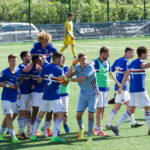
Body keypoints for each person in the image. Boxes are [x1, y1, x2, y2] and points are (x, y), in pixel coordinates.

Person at [59, 53, 98, 142]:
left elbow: (82, 79)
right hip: (83, 94)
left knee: (90, 115)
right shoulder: (77, 67)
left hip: (93, 94)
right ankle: (81, 128)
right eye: (82, 59)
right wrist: (72, 66)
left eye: (85, 58)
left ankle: (89, 135)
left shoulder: (90, 68)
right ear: (79, 60)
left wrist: (68, 80)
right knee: (78, 115)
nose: (84, 60)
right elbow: (69, 75)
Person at [111, 46, 150, 136]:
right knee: (148, 108)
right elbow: (145, 65)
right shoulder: (140, 62)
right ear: (143, 54)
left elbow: (126, 75)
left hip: (132, 90)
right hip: (139, 90)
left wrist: (121, 87)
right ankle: (149, 130)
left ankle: (116, 127)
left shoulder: (132, 62)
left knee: (131, 110)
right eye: (147, 53)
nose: (148, 54)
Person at [30, 51, 67, 143]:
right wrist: (69, 77)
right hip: (55, 96)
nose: (62, 62)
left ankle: (33, 135)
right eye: (61, 60)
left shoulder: (45, 68)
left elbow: (39, 80)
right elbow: (65, 84)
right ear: (57, 59)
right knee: (60, 115)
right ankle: (54, 136)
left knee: (40, 115)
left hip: (45, 96)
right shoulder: (59, 70)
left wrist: (41, 73)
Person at [106, 47, 143, 130]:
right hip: (122, 88)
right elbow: (126, 74)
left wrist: (117, 82)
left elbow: (110, 70)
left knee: (130, 104)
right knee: (117, 106)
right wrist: (131, 84)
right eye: (133, 53)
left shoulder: (117, 60)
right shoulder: (126, 61)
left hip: (119, 87)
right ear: (128, 52)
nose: (134, 55)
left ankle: (133, 123)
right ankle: (109, 124)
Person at [91, 47, 121, 136]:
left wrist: (118, 83)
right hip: (98, 89)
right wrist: (90, 63)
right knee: (99, 109)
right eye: (107, 54)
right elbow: (90, 66)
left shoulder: (107, 62)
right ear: (102, 54)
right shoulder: (95, 62)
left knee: (103, 109)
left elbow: (110, 73)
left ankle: (97, 128)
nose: (109, 56)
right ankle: (99, 130)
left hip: (106, 89)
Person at [29, 55, 53, 137]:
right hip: (36, 92)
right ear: (35, 63)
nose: (42, 61)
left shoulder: (46, 65)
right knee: (35, 111)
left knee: (50, 111)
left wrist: (41, 71)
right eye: (40, 61)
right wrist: (31, 84)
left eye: (42, 60)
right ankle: (33, 131)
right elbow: (27, 77)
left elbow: (49, 76)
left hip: (46, 92)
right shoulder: (31, 68)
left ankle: (45, 128)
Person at [0, 54, 21, 143]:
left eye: (15, 61)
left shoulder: (18, 70)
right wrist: (9, 86)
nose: (14, 63)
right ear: (8, 61)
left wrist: (19, 92)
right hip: (6, 97)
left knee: (9, 115)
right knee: (10, 116)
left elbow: (17, 83)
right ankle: (13, 137)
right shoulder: (4, 72)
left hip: (14, 97)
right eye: (12, 61)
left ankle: (0, 133)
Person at [17, 51, 33, 139]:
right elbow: (26, 70)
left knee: (28, 113)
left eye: (30, 56)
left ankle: (28, 131)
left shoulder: (31, 66)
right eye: (28, 56)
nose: (29, 57)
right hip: (21, 93)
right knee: (22, 112)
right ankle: (21, 131)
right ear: (23, 58)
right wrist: (34, 62)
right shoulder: (21, 66)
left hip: (29, 93)